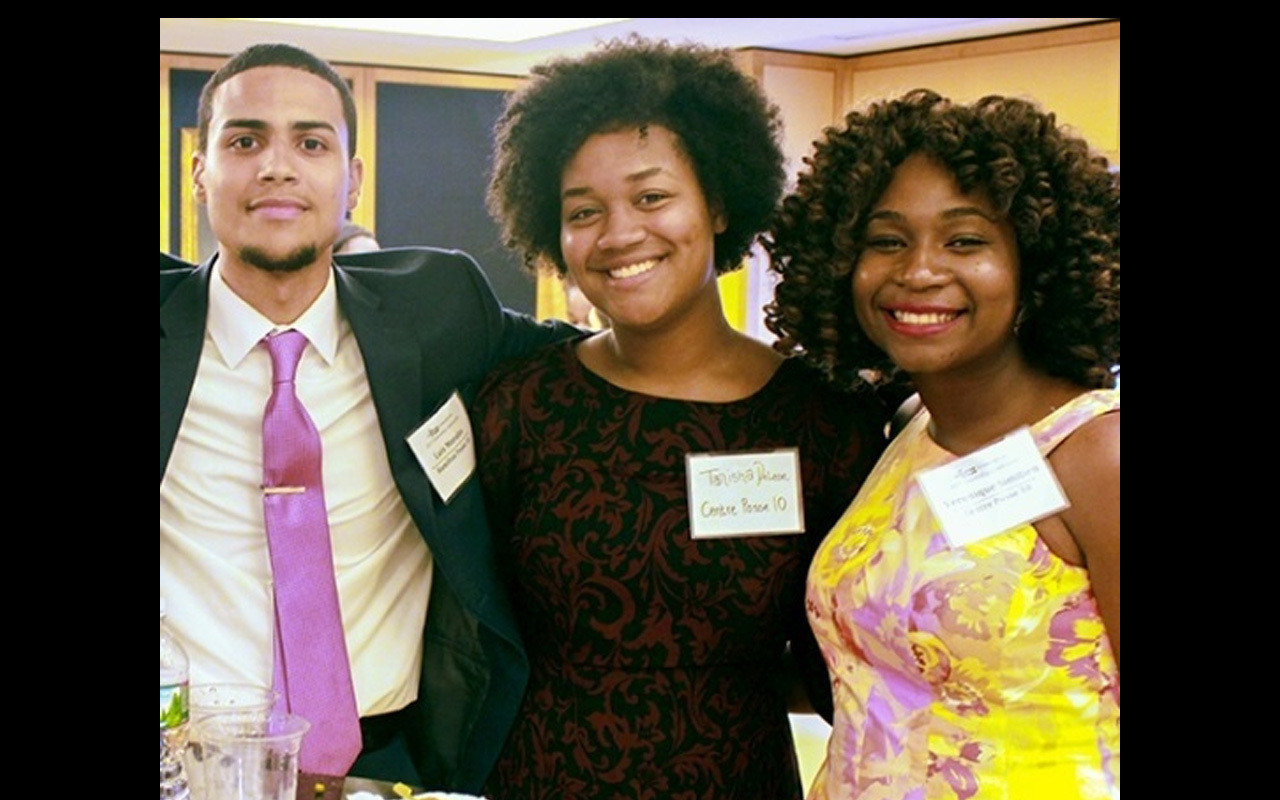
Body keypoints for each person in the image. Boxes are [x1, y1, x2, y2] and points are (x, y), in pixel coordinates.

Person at [474, 37, 890, 799]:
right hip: (540, 776)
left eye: (652, 197)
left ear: (719, 200)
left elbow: (845, 657)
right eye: (583, 212)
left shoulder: (825, 420)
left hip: (739, 779)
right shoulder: (519, 403)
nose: (620, 233)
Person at [159, 42, 576, 791]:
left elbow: (594, 359)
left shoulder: (438, 310)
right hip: (187, 764)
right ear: (199, 172)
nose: (278, 166)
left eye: (311, 142)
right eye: (245, 140)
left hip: (392, 762)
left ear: (351, 180)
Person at [765, 88, 1120, 799]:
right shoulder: (904, 428)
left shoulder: (1097, 454)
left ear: (1037, 266)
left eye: (965, 241)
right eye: (887, 240)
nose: (918, 271)